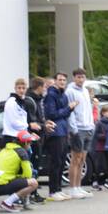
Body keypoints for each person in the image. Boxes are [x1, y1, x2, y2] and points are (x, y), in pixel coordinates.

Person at [0, 130, 40, 212]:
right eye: (29, 142)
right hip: (1, 187)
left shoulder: (3, 150)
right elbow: (28, 174)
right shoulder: (22, 152)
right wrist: (19, 176)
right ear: (25, 143)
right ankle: (8, 203)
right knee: (33, 182)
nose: (30, 144)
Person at [66, 68, 95, 198]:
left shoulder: (85, 91)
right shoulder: (70, 91)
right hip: (78, 129)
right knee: (75, 159)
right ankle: (72, 188)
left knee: (82, 159)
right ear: (74, 78)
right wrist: (74, 129)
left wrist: (92, 124)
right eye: (78, 77)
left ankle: (78, 187)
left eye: (83, 77)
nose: (81, 79)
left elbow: (88, 109)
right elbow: (70, 111)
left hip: (88, 127)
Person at [43, 72, 72, 201]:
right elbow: (52, 114)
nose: (62, 82)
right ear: (55, 81)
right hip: (55, 132)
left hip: (64, 131)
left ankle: (58, 189)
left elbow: (65, 114)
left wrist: (68, 110)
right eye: (60, 79)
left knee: (61, 161)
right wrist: (68, 109)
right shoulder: (51, 95)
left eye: (64, 80)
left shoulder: (63, 95)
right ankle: (53, 190)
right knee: (55, 162)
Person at [24, 77, 51, 204]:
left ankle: (33, 192)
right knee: (32, 166)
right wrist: (43, 126)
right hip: (32, 138)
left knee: (36, 166)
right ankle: (29, 193)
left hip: (39, 136)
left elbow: (38, 119)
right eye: (44, 87)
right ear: (39, 87)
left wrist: (45, 123)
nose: (45, 89)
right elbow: (31, 122)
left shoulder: (38, 99)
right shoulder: (30, 100)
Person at [2, 78, 39, 143]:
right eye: (19, 88)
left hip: (20, 136)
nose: (21, 90)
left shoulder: (22, 102)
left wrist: (30, 134)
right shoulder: (11, 102)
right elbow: (15, 123)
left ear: (26, 89)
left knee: (36, 141)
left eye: (23, 88)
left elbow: (22, 122)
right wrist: (30, 126)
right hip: (12, 137)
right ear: (15, 88)